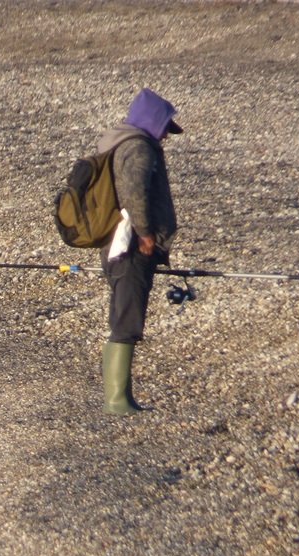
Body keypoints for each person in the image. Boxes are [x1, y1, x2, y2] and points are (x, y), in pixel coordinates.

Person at [96, 88, 181, 415]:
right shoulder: (138, 147)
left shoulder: (119, 142)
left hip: (118, 244)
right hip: (131, 245)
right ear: (151, 122)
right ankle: (117, 400)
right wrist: (146, 234)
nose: (166, 136)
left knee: (122, 314)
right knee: (127, 318)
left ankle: (119, 397)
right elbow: (134, 193)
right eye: (165, 128)